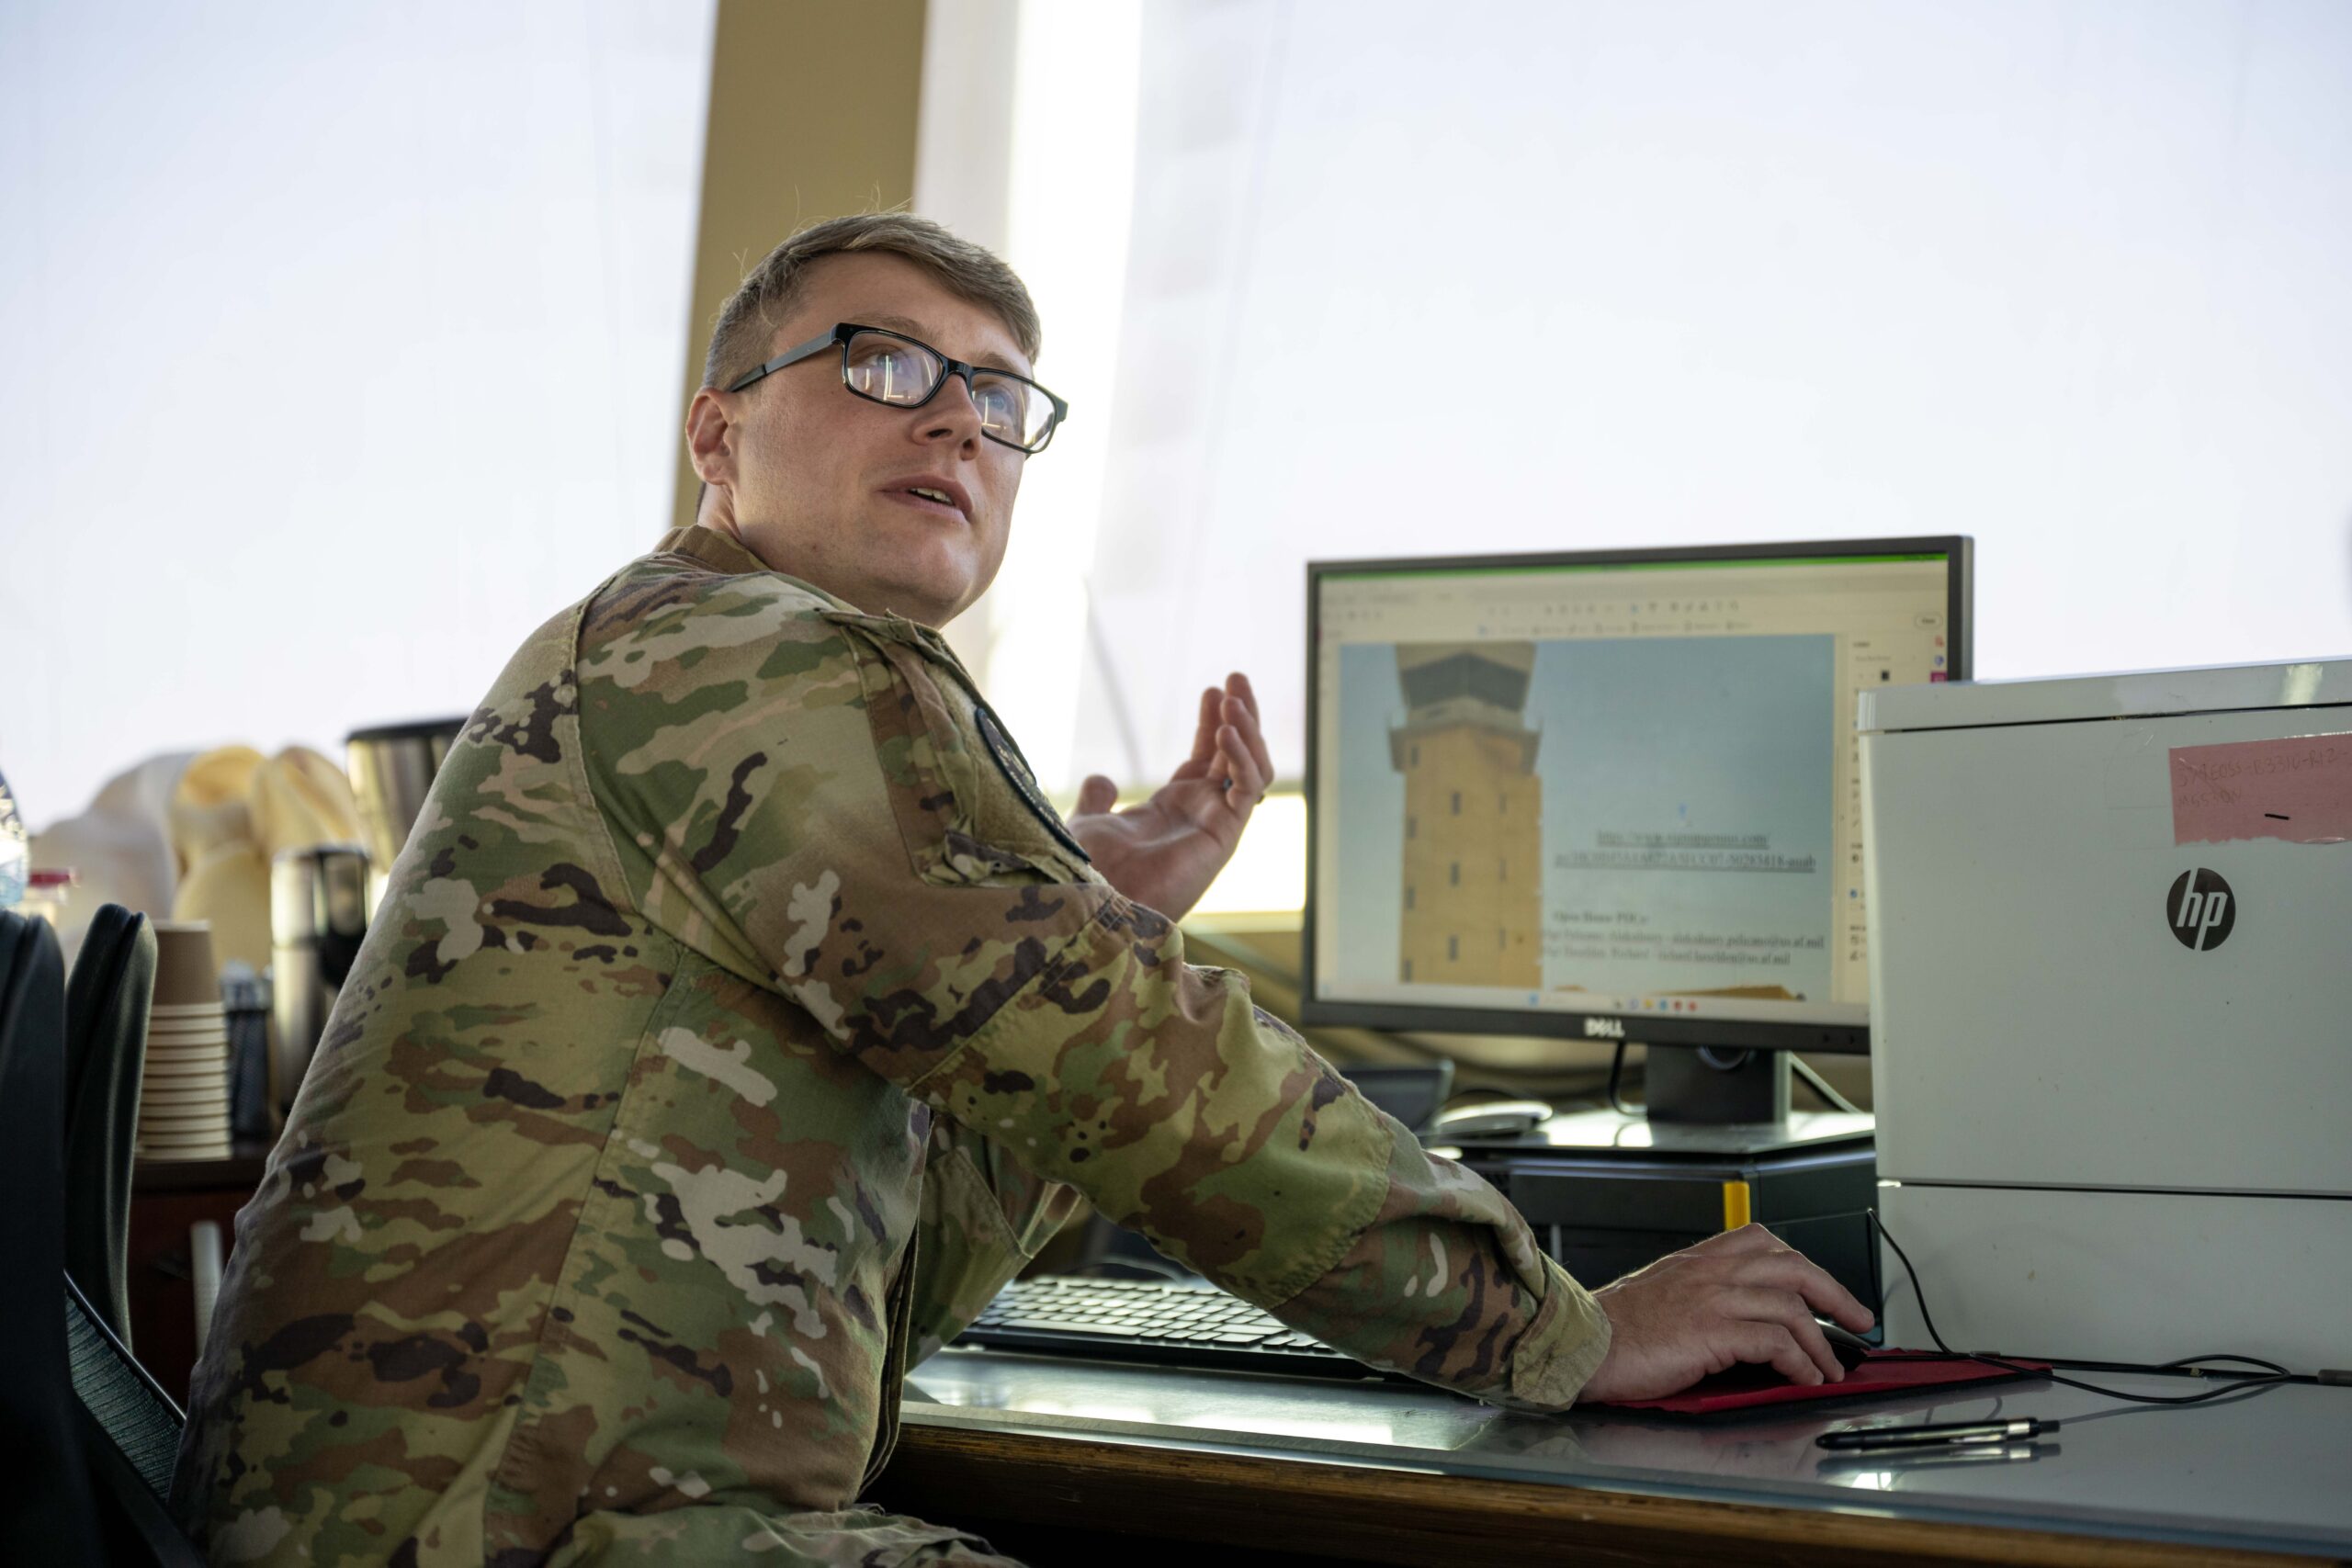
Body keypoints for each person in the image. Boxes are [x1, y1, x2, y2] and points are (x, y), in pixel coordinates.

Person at [171, 213, 1871, 1567]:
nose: (955, 421)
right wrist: (1558, 1333)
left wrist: (1098, 917)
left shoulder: (709, 665)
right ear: (718, 433)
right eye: (884, 361)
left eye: (998, 400)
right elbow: (1140, 1064)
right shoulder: (751, 657)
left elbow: (930, 1236)